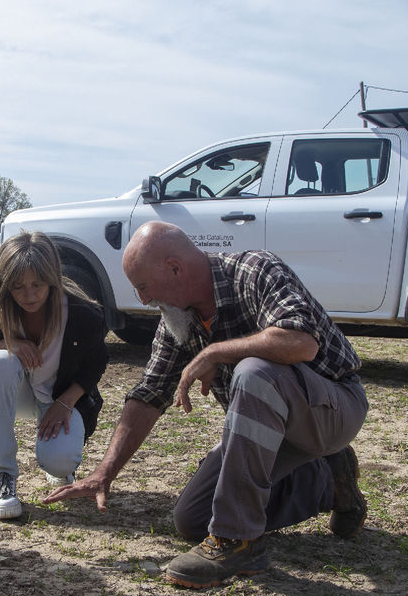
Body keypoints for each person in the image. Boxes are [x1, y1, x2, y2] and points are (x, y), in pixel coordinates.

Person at [44, 221, 368, 588]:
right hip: (274, 434)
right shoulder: (177, 322)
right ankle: (328, 479)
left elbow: (301, 342)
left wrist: (216, 351)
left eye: (144, 287)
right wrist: (104, 473)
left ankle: (237, 541)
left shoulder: (255, 270)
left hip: (333, 409)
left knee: (254, 371)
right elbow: (149, 394)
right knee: (193, 518)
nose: (144, 299)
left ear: (175, 268)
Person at [0, 231, 109, 520]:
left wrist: (65, 403)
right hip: (18, 394)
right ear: (4, 286)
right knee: (0, 361)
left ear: (52, 278)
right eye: (18, 287)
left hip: (59, 396)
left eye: (37, 285)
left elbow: (98, 361)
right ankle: (2, 477)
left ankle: (62, 466)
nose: (29, 295)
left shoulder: (81, 311)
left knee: (60, 463)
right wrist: (6, 344)